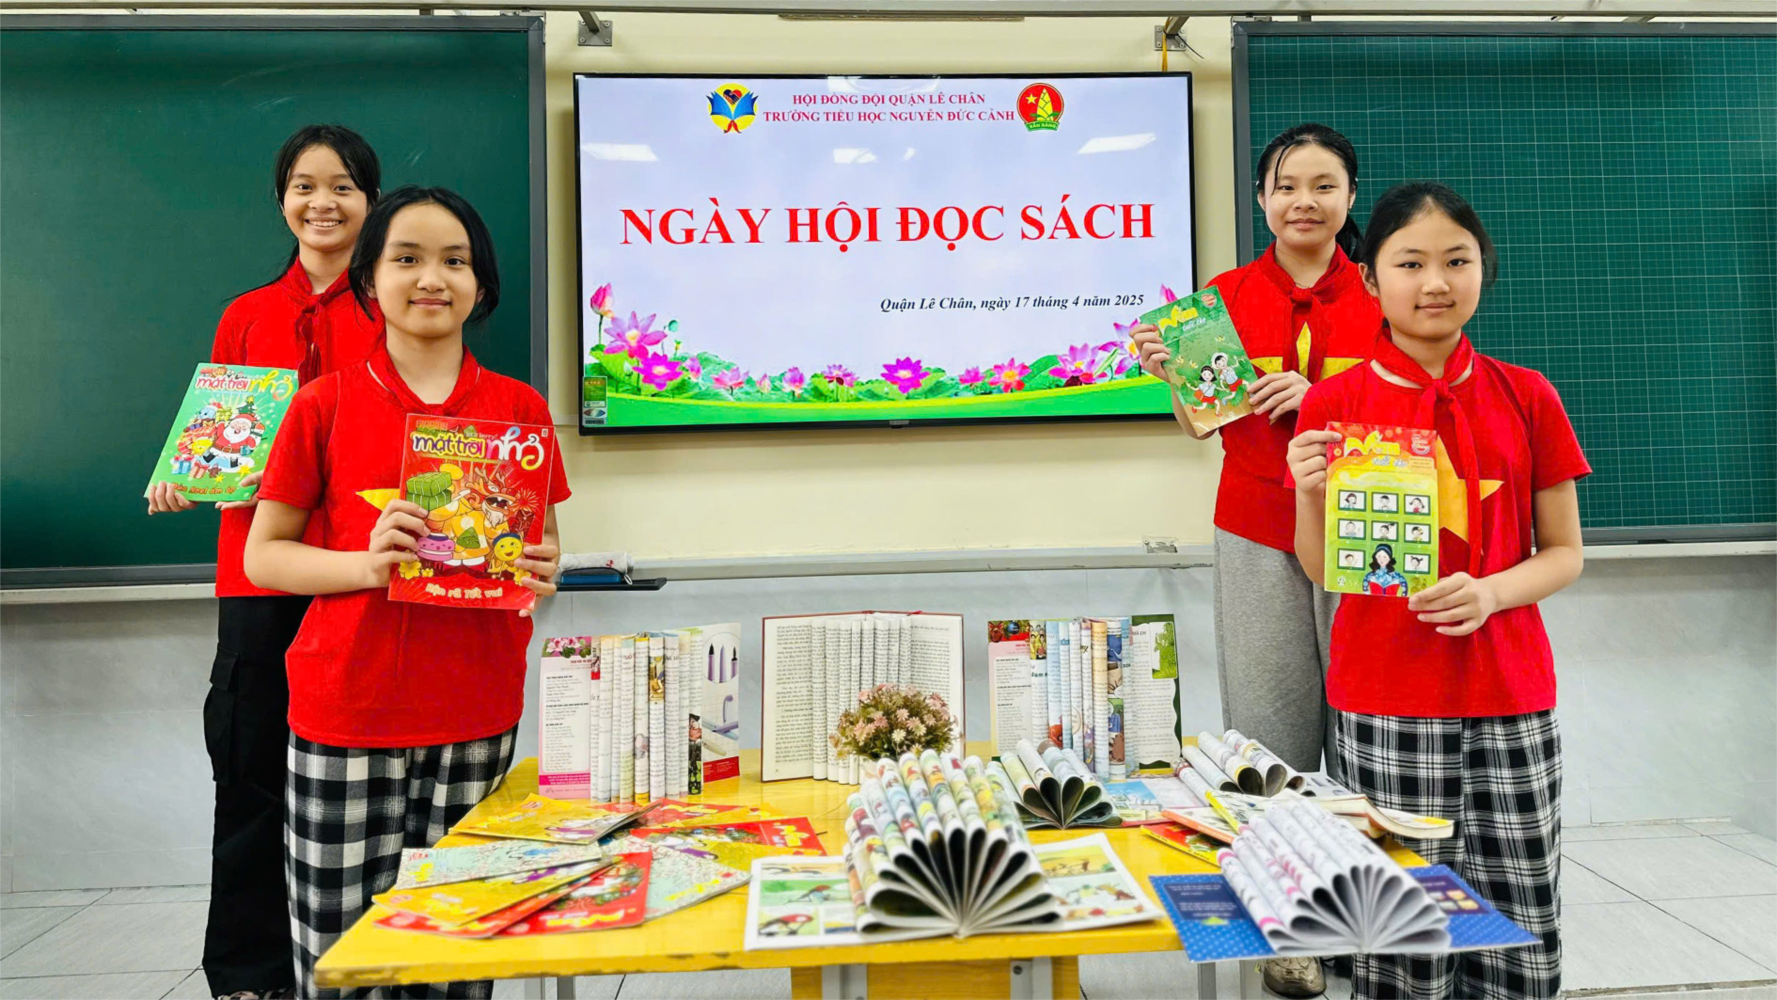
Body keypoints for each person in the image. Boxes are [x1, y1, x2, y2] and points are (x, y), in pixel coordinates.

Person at [244, 186, 567, 1000]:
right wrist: (365, 565)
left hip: (475, 713)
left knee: (459, 955)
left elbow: (544, 552)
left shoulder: (519, 411)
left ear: (481, 285)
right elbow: (265, 557)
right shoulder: (323, 403)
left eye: (455, 261)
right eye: (407, 259)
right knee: (343, 958)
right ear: (369, 280)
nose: (432, 278)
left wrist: (540, 569)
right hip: (347, 713)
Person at [1287, 181, 1588, 1000]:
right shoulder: (1336, 402)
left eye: (1456, 261)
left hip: (1511, 693)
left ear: (1483, 269)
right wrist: (1308, 493)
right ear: (1370, 277)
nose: (1434, 283)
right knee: (1401, 920)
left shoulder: (1526, 393)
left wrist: (1490, 594)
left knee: (1518, 909)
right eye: (1409, 263)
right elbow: (1320, 570)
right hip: (1384, 695)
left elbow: (1564, 555)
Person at [147, 123, 383, 1000]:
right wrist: (183, 474)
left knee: (359, 780)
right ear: (282, 199)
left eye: (343, 186)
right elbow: (221, 439)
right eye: (304, 185)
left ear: (371, 201)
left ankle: (362, 960)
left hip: (358, 572)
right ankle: (249, 976)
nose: (322, 203)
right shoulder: (246, 313)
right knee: (249, 776)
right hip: (256, 573)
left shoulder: (393, 306)